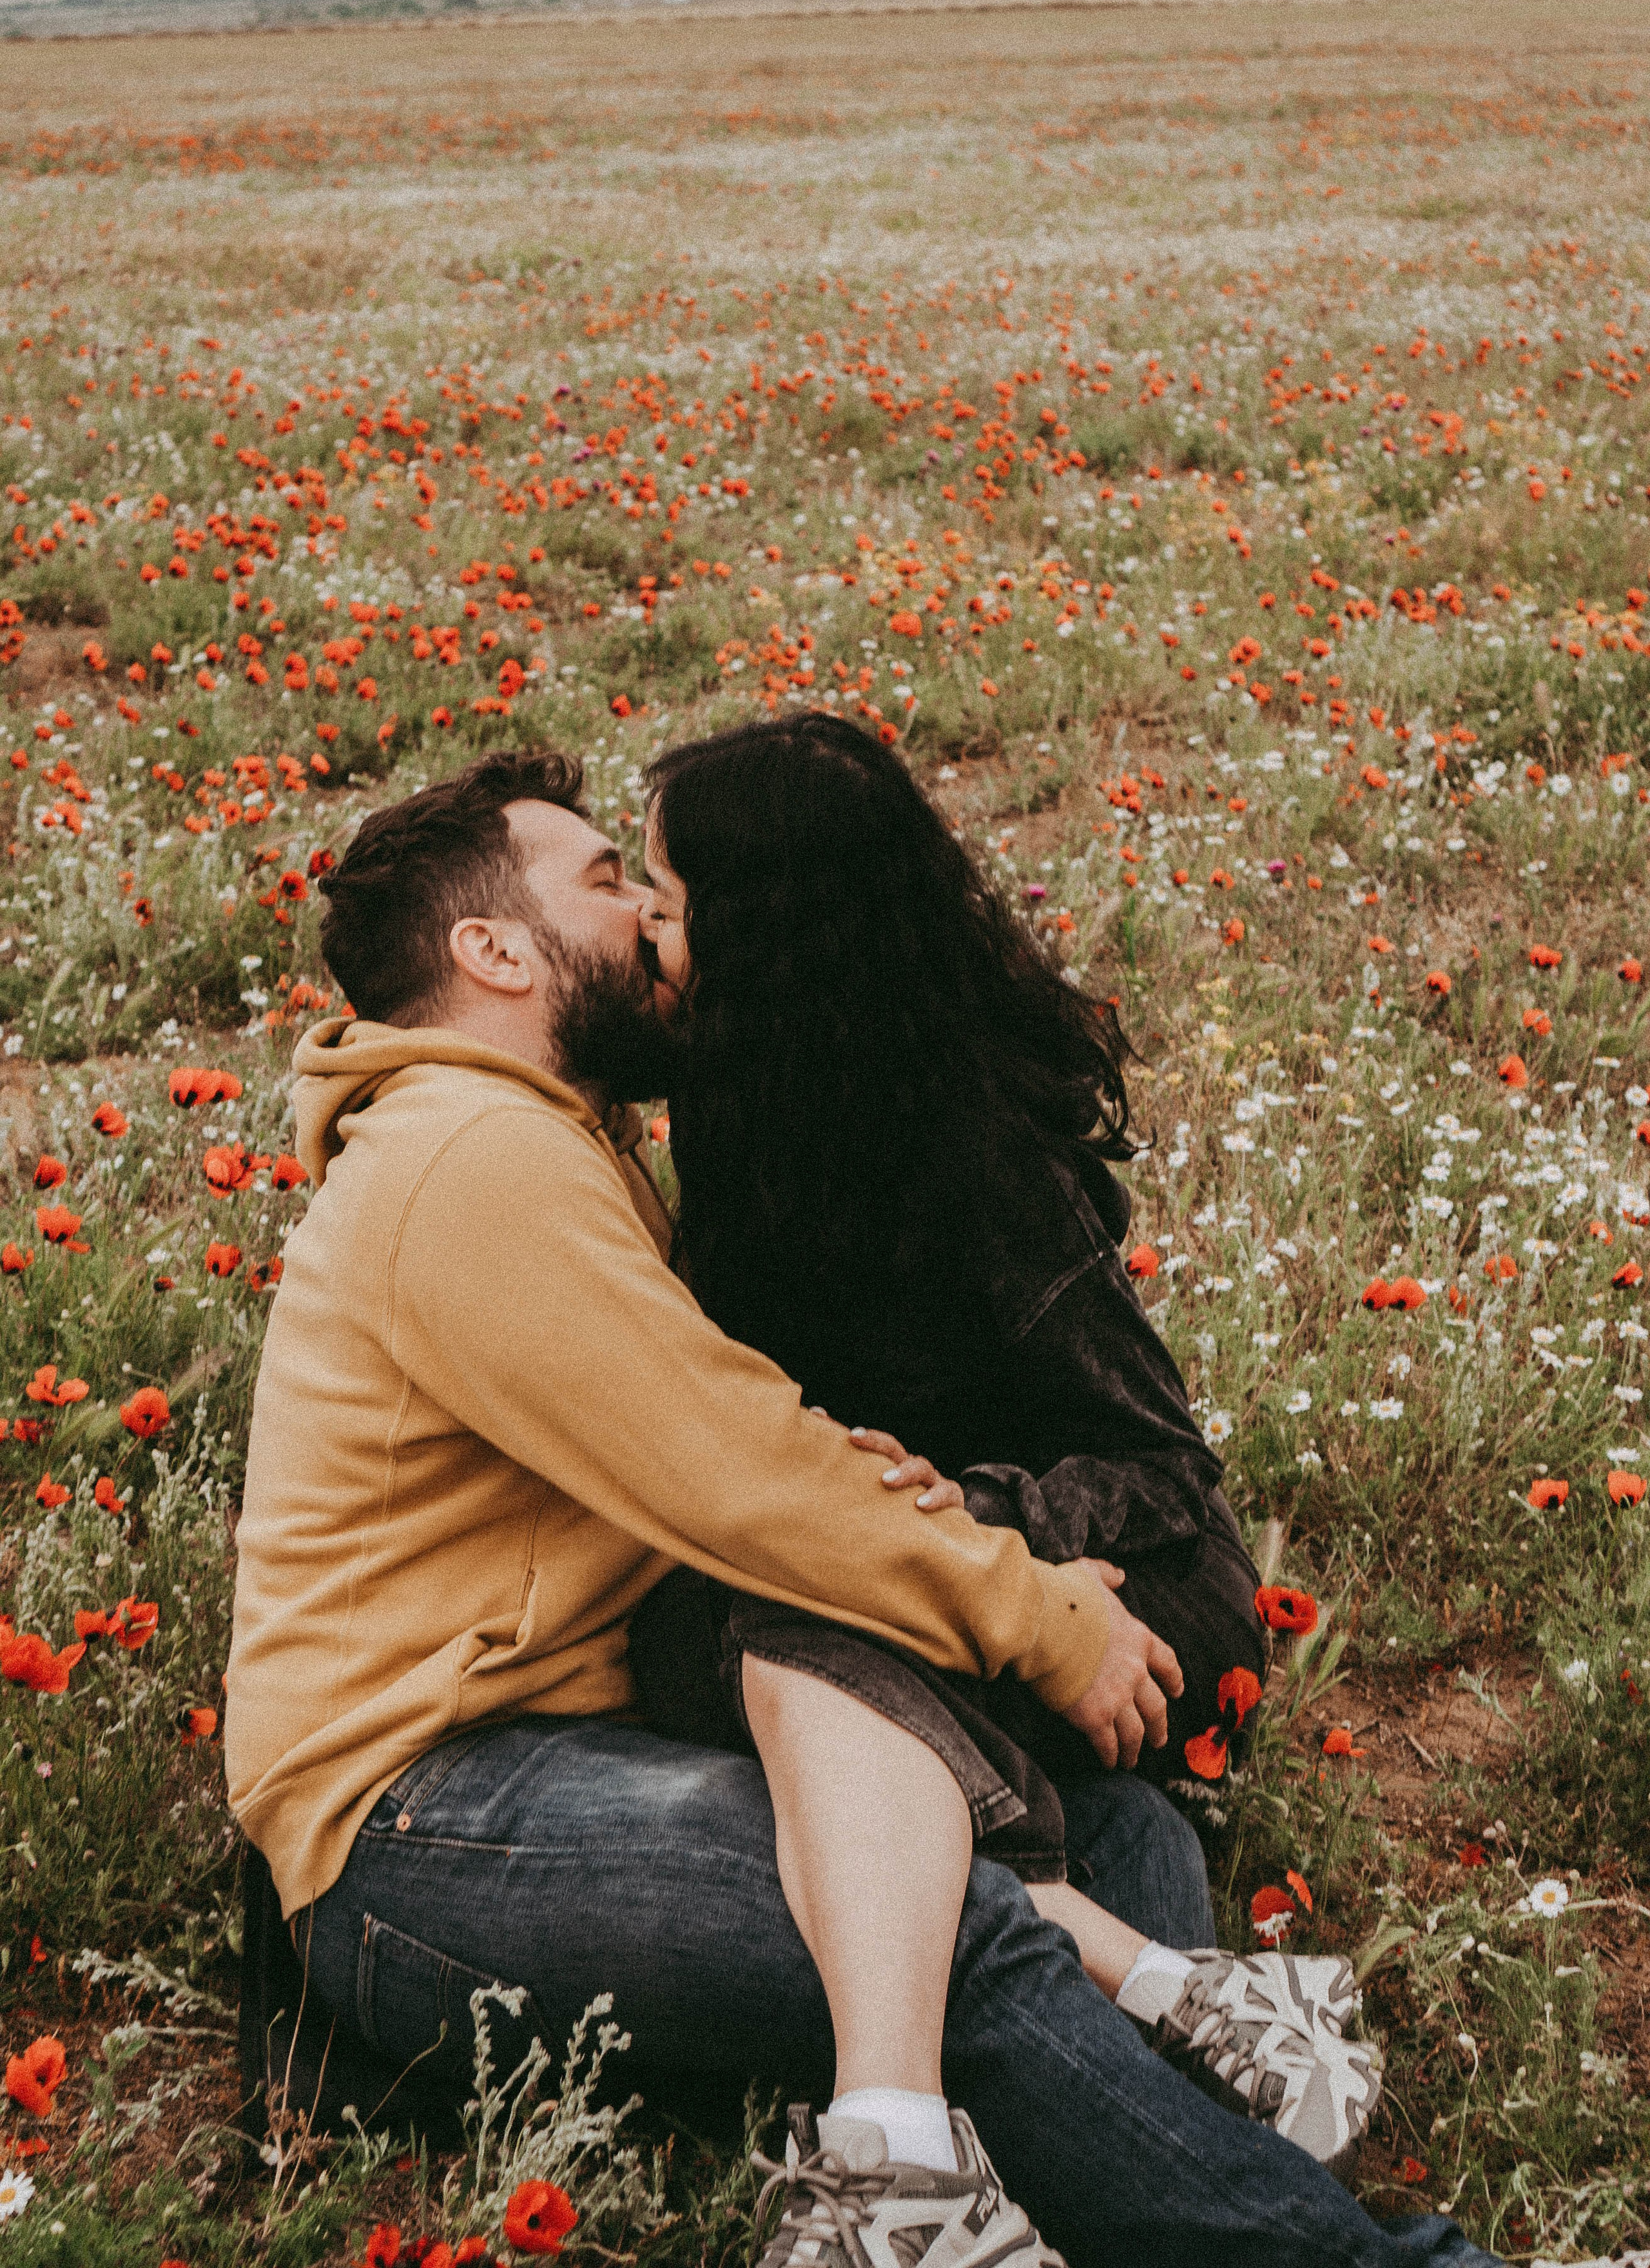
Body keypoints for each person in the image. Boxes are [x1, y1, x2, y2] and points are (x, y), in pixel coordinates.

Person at [226, 747, 1499, 2268]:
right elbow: (741, 1475)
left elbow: (749, 1452)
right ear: (494, 951)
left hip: (564, 1756)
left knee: (1112, 1832)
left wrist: (900, 1492)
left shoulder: (550, 1144)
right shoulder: (468, 1161)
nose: (646, 918)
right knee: (942, 1922)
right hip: (421, 1822)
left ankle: (1126, 2107)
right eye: (607, 881)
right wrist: (1035, 1613)